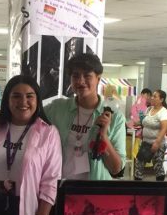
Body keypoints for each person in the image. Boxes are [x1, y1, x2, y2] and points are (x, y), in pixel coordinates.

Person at [0, 75, 61, 215]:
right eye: (16, 96)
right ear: (7, 100)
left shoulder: (48, 133)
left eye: (29, 96)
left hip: (25, 206)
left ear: (37, 100)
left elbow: (51, 179)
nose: (23, 102)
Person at [46, 53, 126, 181]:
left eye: (87, 76)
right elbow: (31, 117)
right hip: (61, 187)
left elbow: (116, 169)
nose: (80, 81)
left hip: (94, 190)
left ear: (98, 79)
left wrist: (103, 137)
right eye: (75, 76)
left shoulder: (115, 117)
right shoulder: (57, 108)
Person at [134, 90, 167, 181]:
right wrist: (135, 122)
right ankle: (137, 186)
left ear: (161, 99)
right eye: (152, 96)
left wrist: (157, 143)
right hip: (146, 143)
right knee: (139, 164)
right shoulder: (149, 109)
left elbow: (164, 129)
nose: (152, 98)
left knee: (158, 167)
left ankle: (160, 187)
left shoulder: (164, 112)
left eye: (155, 96)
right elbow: (144, 122)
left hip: (158, 143)